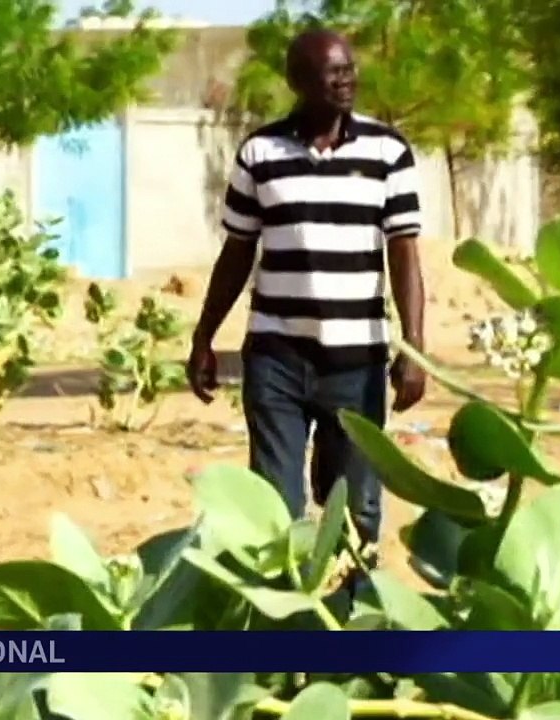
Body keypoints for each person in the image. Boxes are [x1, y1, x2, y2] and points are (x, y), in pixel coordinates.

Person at [186, 27, 427, 604]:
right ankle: (283, 625)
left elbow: (405, 253)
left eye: (350, 69)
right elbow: (237, 251)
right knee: (275, 505)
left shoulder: (387, 152)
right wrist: (203, 337)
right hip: (276, 358)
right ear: (298, 81)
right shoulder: (260, 154)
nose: (347, 80)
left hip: (357, 363)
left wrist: (414, 348)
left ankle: (354, 620)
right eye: (332, 72)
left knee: (356, 508)